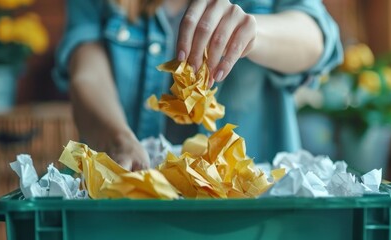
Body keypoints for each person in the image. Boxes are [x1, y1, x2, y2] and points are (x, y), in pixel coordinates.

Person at [54, 0, 342, 170]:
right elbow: (86, 71)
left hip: (257, 214)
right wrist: (116, 138)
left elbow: (316, 37)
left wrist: (253, 32)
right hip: (138, 214)